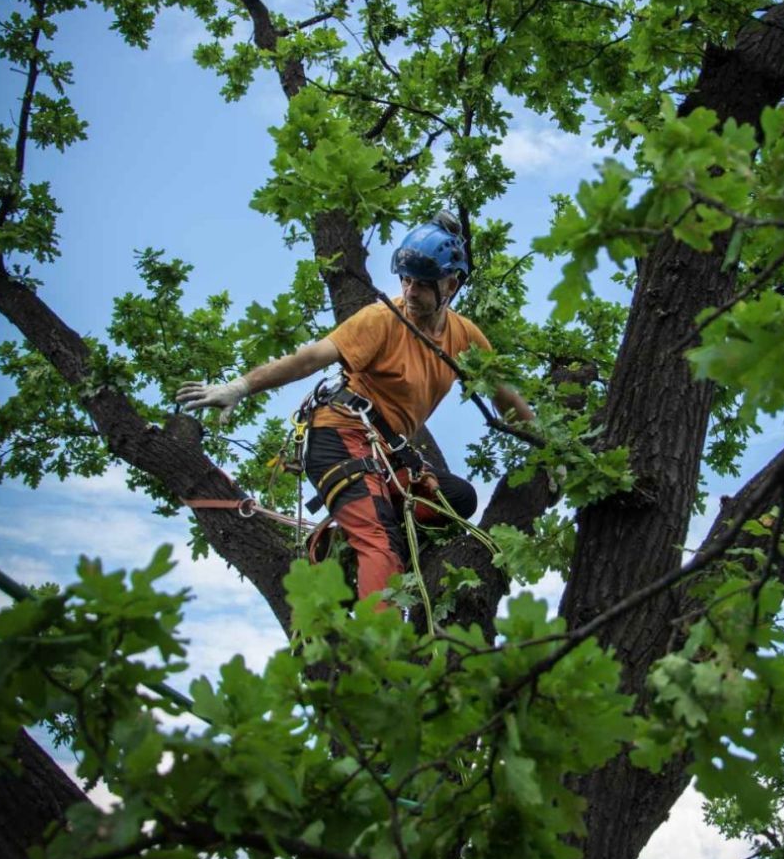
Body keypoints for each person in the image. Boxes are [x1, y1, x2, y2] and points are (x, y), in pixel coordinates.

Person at [176, 214, 534, 604]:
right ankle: (380, 647)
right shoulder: (381, 320)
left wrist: (550, 449)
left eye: (422, 284)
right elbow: (311, 357)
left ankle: (340, 542)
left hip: (386, 453)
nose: (410, 292)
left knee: (457, 500)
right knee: (382, 544)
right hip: (338, 434)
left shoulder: (464, 336)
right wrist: (242, 386)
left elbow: (506, 399)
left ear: (451, 284)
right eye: (405, 280)